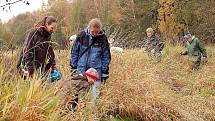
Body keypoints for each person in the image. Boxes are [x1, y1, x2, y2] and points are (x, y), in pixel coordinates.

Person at [70, 18, 111, 101]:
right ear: (89, 28)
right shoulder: (81, 35)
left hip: (96, 71)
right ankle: (80, 111)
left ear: (100, 29)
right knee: (80, 94)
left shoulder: (103, 38)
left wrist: (104, 71)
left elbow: (106, 56)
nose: (95, 34)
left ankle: (94, 112)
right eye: (93, 32)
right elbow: (74, 52)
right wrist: (73, 67)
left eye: (97, 32)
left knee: (95, 96)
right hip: (81, 69)